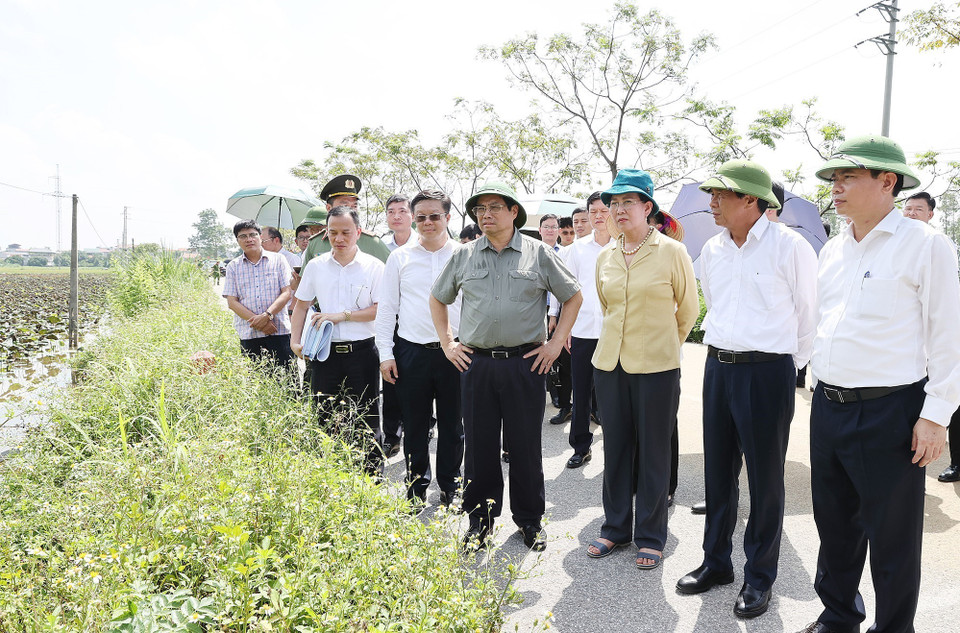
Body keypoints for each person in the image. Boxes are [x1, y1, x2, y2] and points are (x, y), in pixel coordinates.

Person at [796, 136, 960, 633]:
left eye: (847, 177)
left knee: (892, 536)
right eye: (832, 179)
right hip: (829, 406)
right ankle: (839, 615)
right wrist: (814, 381)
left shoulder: (925, 245)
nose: (835, 188)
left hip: (891, 411)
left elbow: (948, 335)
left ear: (887, 182)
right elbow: (825, 321)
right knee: (834, 525)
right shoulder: (833, 249)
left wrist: (935, 417)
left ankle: (893, 627)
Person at [675, 160, 818, 620]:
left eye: (722, 195)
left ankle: (760, 577)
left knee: (765, 479)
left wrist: (784, 367)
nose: (712, 202)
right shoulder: (713, 250)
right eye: (711, 194)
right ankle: (716, 563)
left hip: (767, 372)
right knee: (718, 473)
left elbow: (808, 316)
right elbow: (713, 307)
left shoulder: (789, 247)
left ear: (752, 201)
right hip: (719, 366)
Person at [430, 181, 582, 551]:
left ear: (513, 211)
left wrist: (556, 343)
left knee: (525, 446)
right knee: (480, 448)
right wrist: (447, 343)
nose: (486, 215)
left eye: (494, 207)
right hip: (476, 364)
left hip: (525, 365)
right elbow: (438, 299)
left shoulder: (539, 253)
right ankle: (479, 521)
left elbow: (573, 297)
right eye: (480, 209)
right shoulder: (464, 256)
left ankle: (529, 521)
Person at [586, 169, 697, 571]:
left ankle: (650, 535)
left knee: (653, 449)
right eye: (612, 204)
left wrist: (662, 345)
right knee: (616, 447)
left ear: (647, 207)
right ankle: (615, 526)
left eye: (626, 202)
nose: (618, 210)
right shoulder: (606, 255)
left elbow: (687, 311)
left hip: (657, 368)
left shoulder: (672, 252)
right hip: (609, 364)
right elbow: (606, 307)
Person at [376, 189, 464, 509]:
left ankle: (451, 485)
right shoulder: (400, 258)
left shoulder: (462, 256)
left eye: (435, 216)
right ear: (415, 219)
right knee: (415, 426)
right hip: (411, 353)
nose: (428, 222)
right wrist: (386, 354)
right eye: (422, 216)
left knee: (454, 426)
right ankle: (415, 487)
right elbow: (387, 309)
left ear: (447, 218)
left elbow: (471, 306)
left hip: (455, 353)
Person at [291, 206, 385, 476]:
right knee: (324, 416)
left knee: (366, 419)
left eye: (345, 232)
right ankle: (331, 477)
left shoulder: (373, 267)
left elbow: (381, 309)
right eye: (333, 233)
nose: (339, 238)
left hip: (363, 353)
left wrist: (342, 316)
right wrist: (294, 342)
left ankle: (371, 480)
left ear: (358, 232)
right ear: (324, 234)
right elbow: (300, 305)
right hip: (324, 353)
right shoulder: (316, 266)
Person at [548, 191, 612, 469]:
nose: (598, 216)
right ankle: (580, 447)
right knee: (581, 391)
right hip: (584, 331)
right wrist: (565, 329)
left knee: (614, 396)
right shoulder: (575, 250)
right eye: (593, 211)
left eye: (603, 211)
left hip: (615, 332)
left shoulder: (624, 246)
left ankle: (618, 452)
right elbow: (566, 293)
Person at [901, 192, 960, 483]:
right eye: (907, 208)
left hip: (943, 336)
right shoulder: (897, 245)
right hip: (914, 347)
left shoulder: (937, 243)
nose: (910, 213)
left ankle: (957, 462)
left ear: (930, 214)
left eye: (917, 209)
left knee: (950, 395)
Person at [222, 220, 295, 371]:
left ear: (260, 237)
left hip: (279, 330)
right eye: (243, 236)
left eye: (252, 235)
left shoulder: (278, 260)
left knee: (288, 380)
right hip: (250, 334)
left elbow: (286, 292)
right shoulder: (233, 267)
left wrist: (267, 315)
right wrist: (260, 323)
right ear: (237, 240)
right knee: (257, 383)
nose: (248, 239)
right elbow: (232, 302)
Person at [379, 193, 414, 459]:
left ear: (411, 215)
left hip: (420, 323)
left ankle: (425, 425)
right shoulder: (381, 248)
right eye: (391, 211)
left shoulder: (425, 243)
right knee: (392, 381)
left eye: (402, 210)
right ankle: (392, 436)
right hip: (391, 322)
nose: (397, 216)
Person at [261, 226, 301, 315]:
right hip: (269, 311)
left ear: (276, 240)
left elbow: (299, 285)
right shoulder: (264, 260)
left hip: (287, 309)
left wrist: (292, 309)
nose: (261, 245)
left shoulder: (291, 258)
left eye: (263, 241)